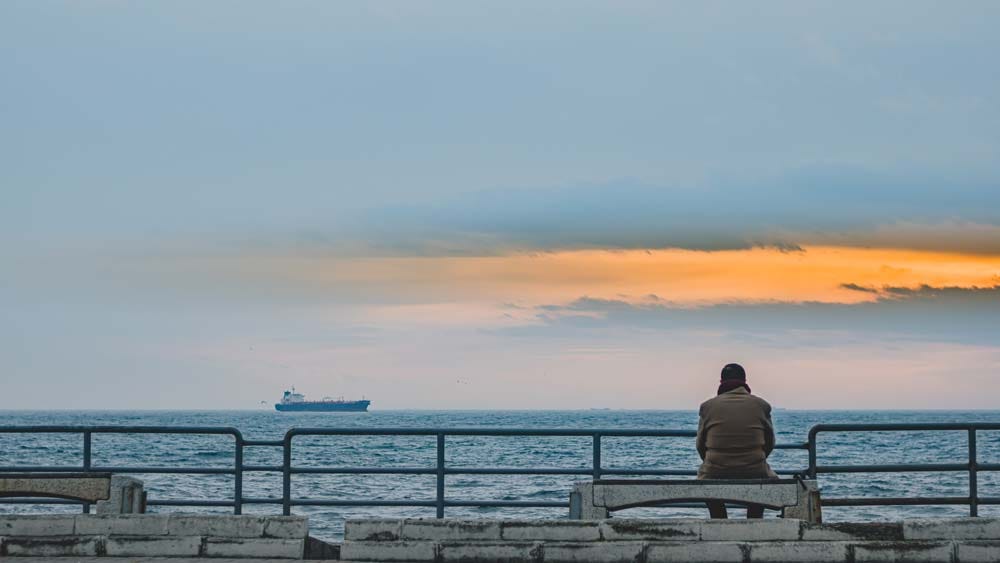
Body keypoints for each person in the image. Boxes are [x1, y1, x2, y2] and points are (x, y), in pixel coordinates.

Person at [695, 363, 777, 519]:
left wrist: (717, 462)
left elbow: (700, 445)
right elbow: (770, 442)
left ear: (721, 383)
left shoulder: (707, 407)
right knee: (763, 483)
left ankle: (719, 519)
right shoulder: (761, 406)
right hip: (754, 469)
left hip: (715, 470)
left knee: (705, 480)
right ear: (745, 381)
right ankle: (754, 521)